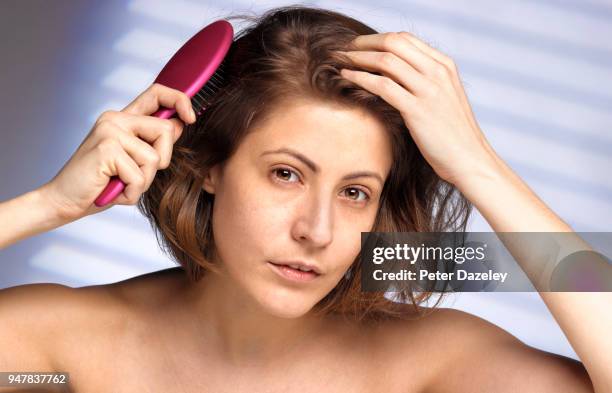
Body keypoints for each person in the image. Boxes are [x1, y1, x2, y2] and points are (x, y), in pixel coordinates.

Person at [0, 5, 607, 392]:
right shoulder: (64, 358)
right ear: (211, 164)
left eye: (354, 192)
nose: (317, 231)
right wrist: (48, 206)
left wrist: (479, 166)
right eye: (286, 174)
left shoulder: (428, 369)